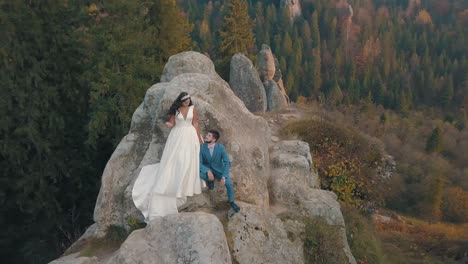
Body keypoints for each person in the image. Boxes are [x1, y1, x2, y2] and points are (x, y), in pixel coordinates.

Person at [132, 92, 204, 222]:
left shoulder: (193, 109)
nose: (187, 102)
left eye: (188, 100)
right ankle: (173, 179)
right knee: (176, 159)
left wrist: (199, 137)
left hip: (189, 134)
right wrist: (169, 124)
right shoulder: (175, 110)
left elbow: (196, 124)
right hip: (177, 135)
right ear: (181, 101)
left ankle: (184, 182)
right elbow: (172, 123)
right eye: (185, 100)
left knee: (187, 158)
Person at [200, 130, 240, 213]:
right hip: (208, 168)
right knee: (199, 174)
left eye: (209, 135)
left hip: (219, 170)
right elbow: (199, 162)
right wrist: (207, 170)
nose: (206, 136)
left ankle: (232, 202)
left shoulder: (220, 147)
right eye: (207, 134)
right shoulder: (202, 147)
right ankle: (210, 180)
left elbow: (227, 162)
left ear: (214, 139)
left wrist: (224, 177)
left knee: (229, 184)